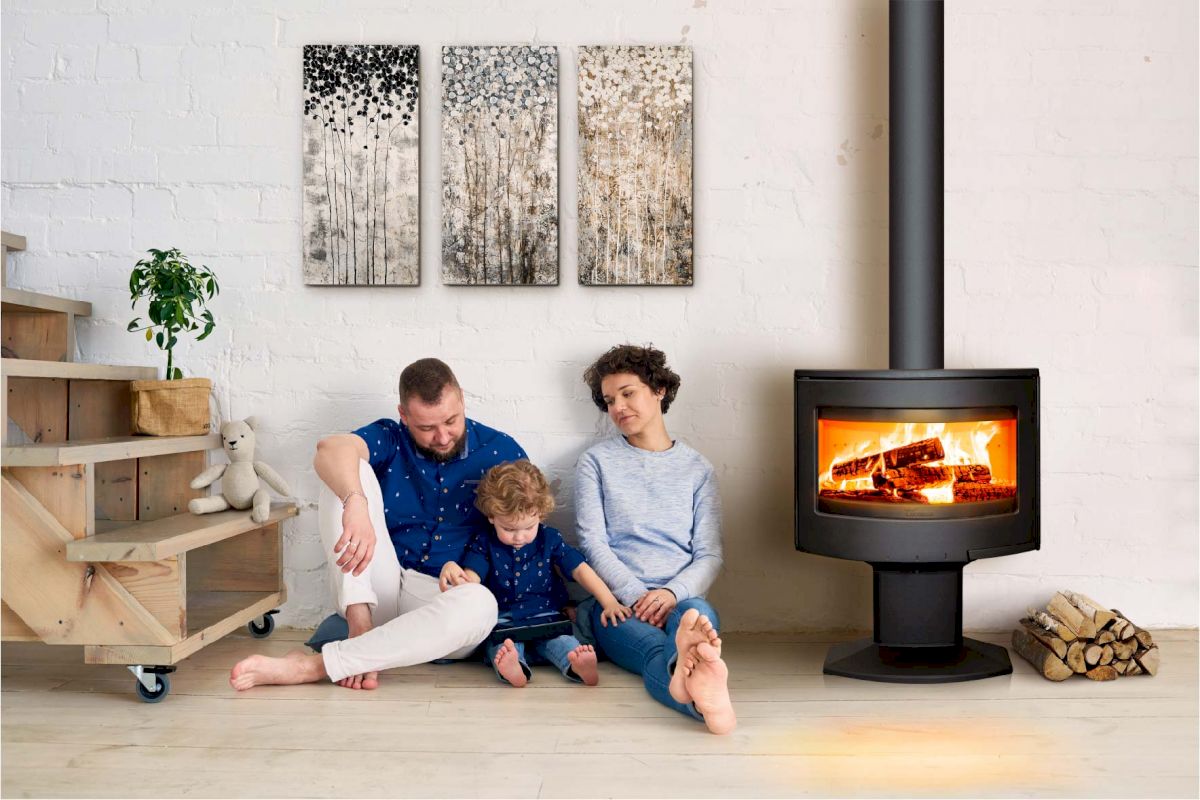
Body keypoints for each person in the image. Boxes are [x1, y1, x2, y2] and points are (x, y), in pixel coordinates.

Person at [230, 358, 526, 691]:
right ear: (404, 415)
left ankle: (318, 665)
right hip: (375, 589)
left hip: (439, 599)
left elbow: (524, 537)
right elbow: (329, 449)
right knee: (343, 472)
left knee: (481, 604)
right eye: (427, 428)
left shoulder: (500, 450)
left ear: (462, 401)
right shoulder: (390, 436)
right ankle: (360, 630)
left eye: (451, 421)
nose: (442, 437)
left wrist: (470, 573)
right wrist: (355, 502)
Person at [574, 344, 737, 734]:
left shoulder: (698, 469)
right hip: (616, 603)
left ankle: (694, 686)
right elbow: (592, 542)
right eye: (610, 400)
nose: (618, 408)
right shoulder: (595, 463)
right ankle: (706, 703)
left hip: (682, 597)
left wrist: (671, 594)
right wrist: (635, 594)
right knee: (653, 649)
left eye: (628, 393)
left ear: (659, 390)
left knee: (697, 624)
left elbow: (710, 554)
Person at [440, 460, 630, 687]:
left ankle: (578, 666)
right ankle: (515, 668)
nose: (519, 537)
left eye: (529, 528)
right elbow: (472, 580)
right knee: (502, 647)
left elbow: (580, 570)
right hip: (503, 621)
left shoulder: (550, 539)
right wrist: (453, 569)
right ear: (491, 516)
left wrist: (609, 601)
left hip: (546, 617)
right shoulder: (484, 542)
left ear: (540, 514)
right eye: (509, 529)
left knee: (562, 641)